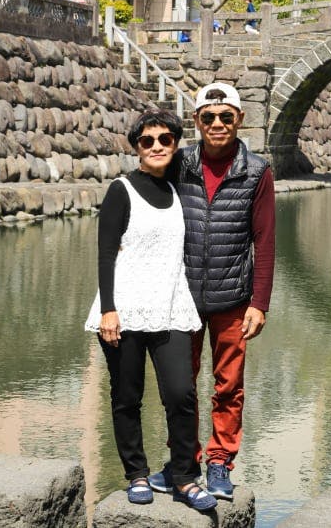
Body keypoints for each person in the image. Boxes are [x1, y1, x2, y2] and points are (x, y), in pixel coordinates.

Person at [85, 110, 217, 512]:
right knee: (127, 397)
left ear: (175, 144)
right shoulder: (121, 190)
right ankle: (136, 474)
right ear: (137, 147)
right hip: (124, 310)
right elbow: (105, 254)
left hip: (171, 305)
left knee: (181, 394)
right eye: (147, 140)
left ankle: (184, 478)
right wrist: (109, 310)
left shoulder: (178, 190)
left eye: (165, 139)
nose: (157, 146)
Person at [149, 82, 276, 501]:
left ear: (240, 119)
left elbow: (265, 241)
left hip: (233, 300)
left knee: (229, 387)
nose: (217, 124)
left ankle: (220, 462)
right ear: (197, 121)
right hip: (180, 298)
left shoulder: (256, 171)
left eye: (225, 116)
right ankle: (182, 461)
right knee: (179, 387)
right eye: (208, 117)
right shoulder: (178, 163)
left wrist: (260, 303)